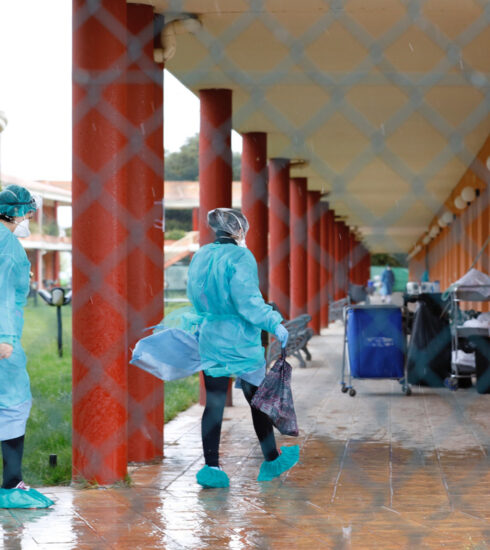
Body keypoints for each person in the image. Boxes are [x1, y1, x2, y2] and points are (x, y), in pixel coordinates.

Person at [187, 208, 299, 488]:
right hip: (241, 342)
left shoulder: (201, 255)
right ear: (239, 230)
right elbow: (248, 302)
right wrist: (275, 322)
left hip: (211, 337)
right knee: (257, 401)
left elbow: (194, 294)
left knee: (213, 403)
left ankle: (211, 467)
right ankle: (271, 459)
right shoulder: (241, 256)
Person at [0, 185, 53, 508]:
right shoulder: (8, 247)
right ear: (15, 212)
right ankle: (11, 484)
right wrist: (5, 338)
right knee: (14, 404)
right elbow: (4, 293)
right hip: (3, 340)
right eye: (29, 212)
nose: (30, 218)